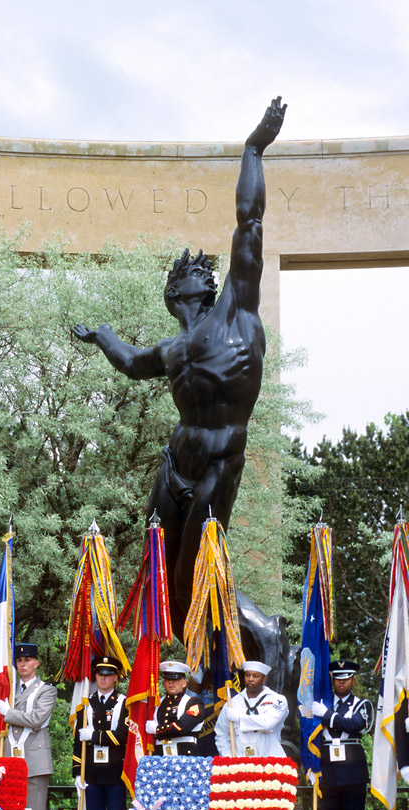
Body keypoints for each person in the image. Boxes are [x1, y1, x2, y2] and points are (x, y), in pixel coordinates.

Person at [72, 98, 286, 643]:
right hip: (175, 466)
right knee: (157, 577)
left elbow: (250, 221)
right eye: (187, 274)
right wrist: (101, 335)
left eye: (197, 273)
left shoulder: (236, 312)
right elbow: (128, 362)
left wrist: (253, 148)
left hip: (218, 464)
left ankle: (264, 638)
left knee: (195, 579)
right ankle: (162, 675)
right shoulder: (172, 349)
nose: (196, 276)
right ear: (173, 293)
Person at [215, 659, 288, 810]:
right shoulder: (232, 702)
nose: (251, 680)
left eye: (256, 676)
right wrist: (230, 759)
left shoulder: (277, 700)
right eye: (248, 676)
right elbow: (221, 734)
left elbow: (268, 723)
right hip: (241, 768)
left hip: (269, 768)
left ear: (264, 679)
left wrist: (241, 719)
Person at [0, 642, 57, 810]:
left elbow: (37, 719)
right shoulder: (9, 690)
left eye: (27, 660)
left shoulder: (46, 690)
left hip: (34, 760)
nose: (23, 664)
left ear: (36, 663)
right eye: (19, 661)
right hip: (10, 760)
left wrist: (8, 712)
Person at [312, 659, 373, 810]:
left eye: (345, 679)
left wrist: (328, 717)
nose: (341, 683)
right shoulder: (324, 703)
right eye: (337, 679)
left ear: (353, 680)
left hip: (353, 772)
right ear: (333, 680)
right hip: (329, 770)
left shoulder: (362, 704)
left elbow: (357, 725)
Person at [146, 660, 204, 810]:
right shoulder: (158, 704)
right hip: (163, 765)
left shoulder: (194, 702)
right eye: (167, 680)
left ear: (183, 682)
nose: (171, 684)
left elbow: (184, 725)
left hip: (187, 764)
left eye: (176, 680)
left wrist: (158, 730)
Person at [73, 655, 129, 810]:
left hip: (116, 772)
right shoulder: (85, 705)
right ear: (95, 677)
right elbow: (77, 742)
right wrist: (77, 772)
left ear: (115, 678)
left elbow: (122, 736)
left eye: (108, 675)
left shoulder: (124, 702)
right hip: (92, 773)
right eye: (99, 675)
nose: (103, 678)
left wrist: (94, 736)